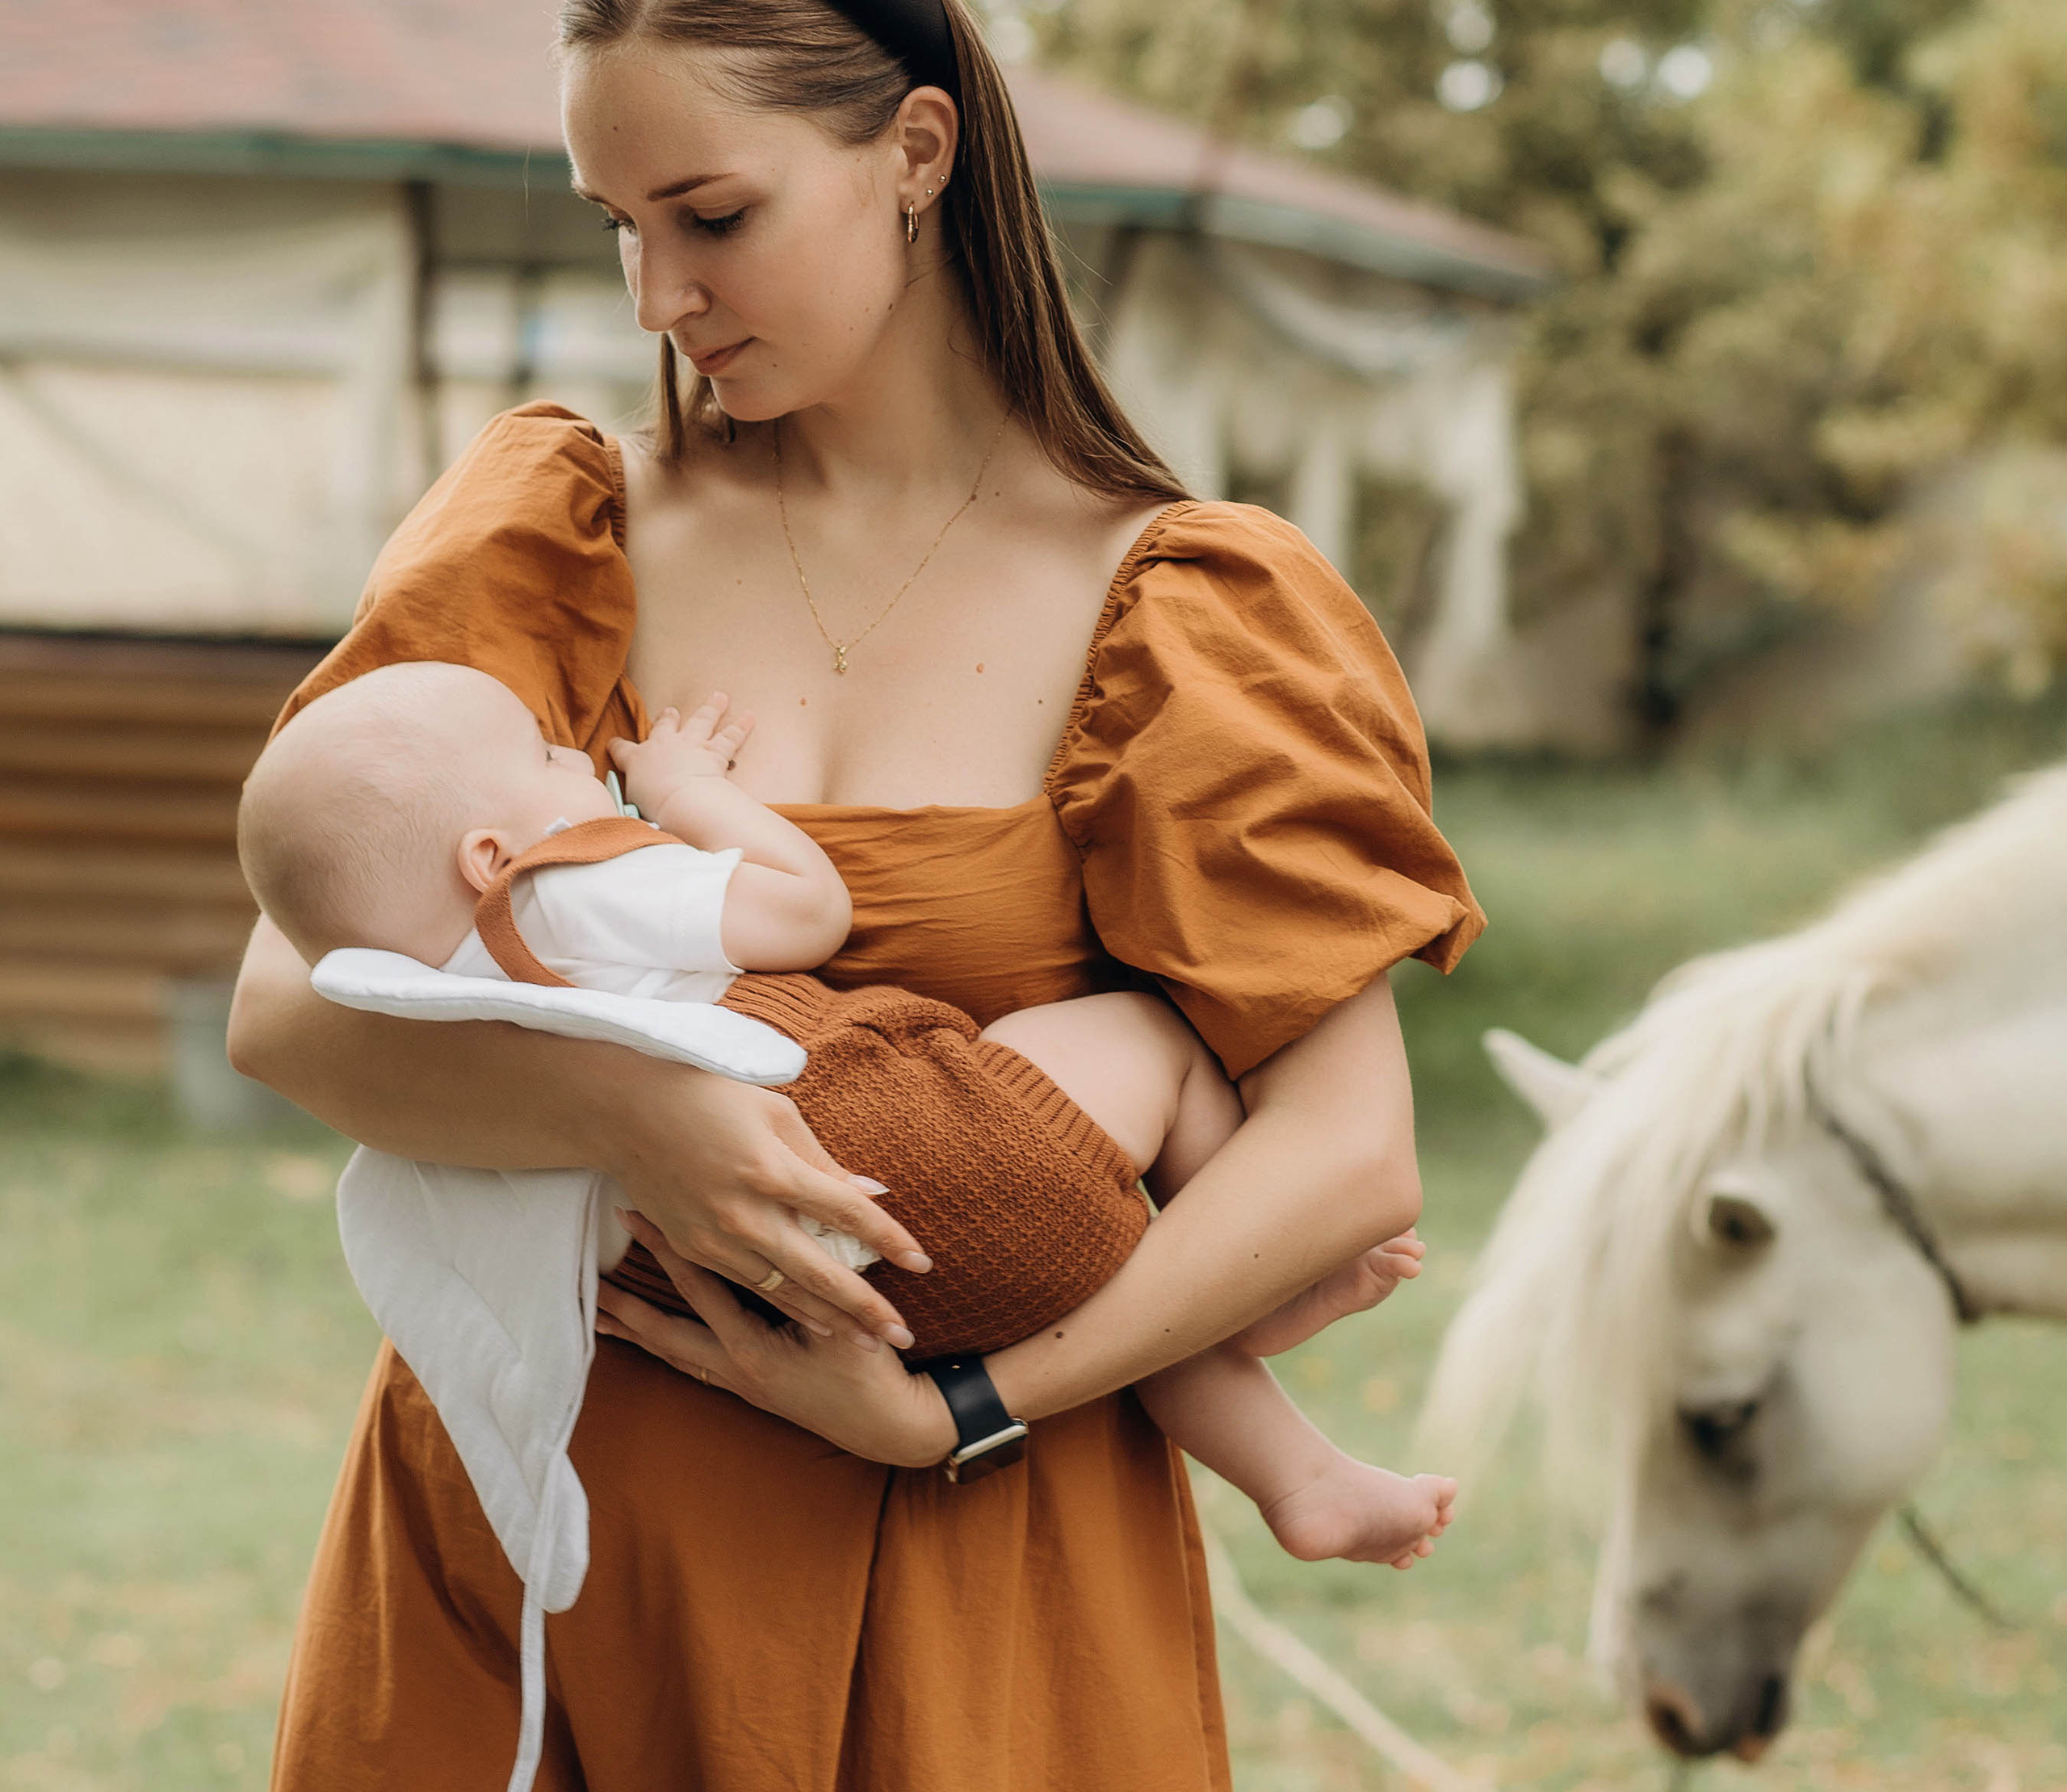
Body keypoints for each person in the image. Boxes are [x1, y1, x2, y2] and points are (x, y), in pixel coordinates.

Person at [199, 0, 1485, 1792]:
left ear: (914, 151)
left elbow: (1347, 1154)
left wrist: (968, 1412)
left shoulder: (1177, 595)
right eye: (614, 228)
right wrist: (639, 1112)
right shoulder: (563, 530)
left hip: (969, 1604)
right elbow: (288, 1008)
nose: (663, 294)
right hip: (525, 1573)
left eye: (713, 213)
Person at [237, 653, 1456, 1568]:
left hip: (784, 1289)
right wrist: (690, 794)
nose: (582, 764)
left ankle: (1304, 1477)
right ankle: (1257, 1288)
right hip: (894, 1151)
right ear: (489, 853)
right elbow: (802, 911)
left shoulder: (421, 1005)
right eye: (550, 759)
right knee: (1152, 1040)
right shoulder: (571, 888)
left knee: (1043, 1259)